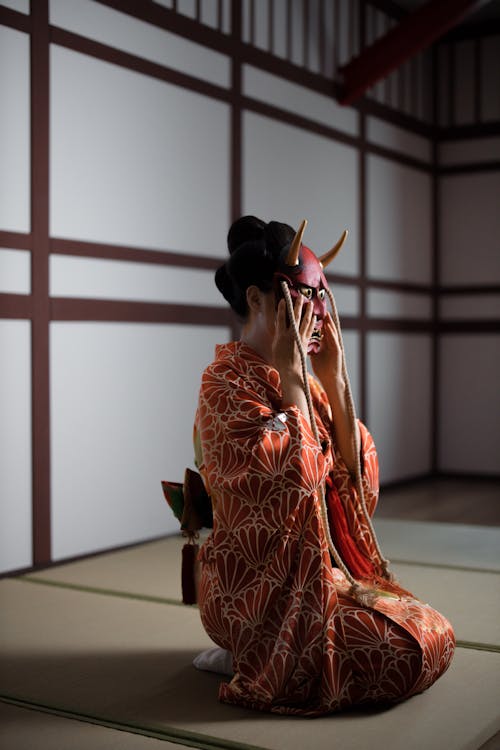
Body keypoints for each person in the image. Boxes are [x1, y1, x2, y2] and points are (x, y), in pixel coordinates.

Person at [191, 215, 455, 716]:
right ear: (255, 300)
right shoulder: (223, 385)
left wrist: (331, 379)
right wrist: (294, 381)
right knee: (400, 655)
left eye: (317, 298)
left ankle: (278, 652)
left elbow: (356, 490)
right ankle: (250, 651)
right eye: (298, 298)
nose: (314, 313)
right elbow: (292, 486)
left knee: (433, 632)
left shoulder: (307, 381)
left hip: (317, 579)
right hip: (255, 591)